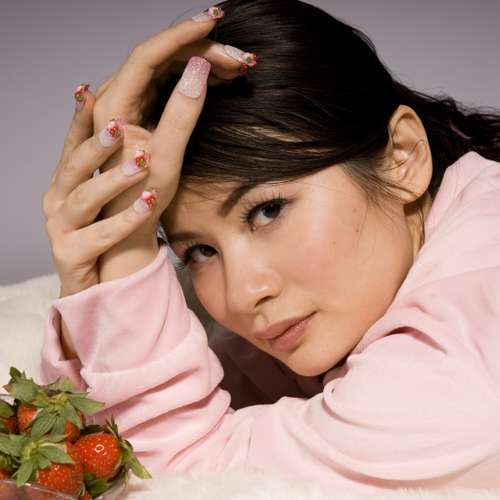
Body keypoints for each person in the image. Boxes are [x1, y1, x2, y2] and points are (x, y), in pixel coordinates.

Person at [40, 0, 500, 495]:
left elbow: (181, 477)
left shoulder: (463, 340)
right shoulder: (339, 313)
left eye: (268, 211)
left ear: (402, 157)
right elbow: (75, 451)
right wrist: (93, 270)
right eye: (198, 252)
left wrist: (127, 249)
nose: (241, 294)